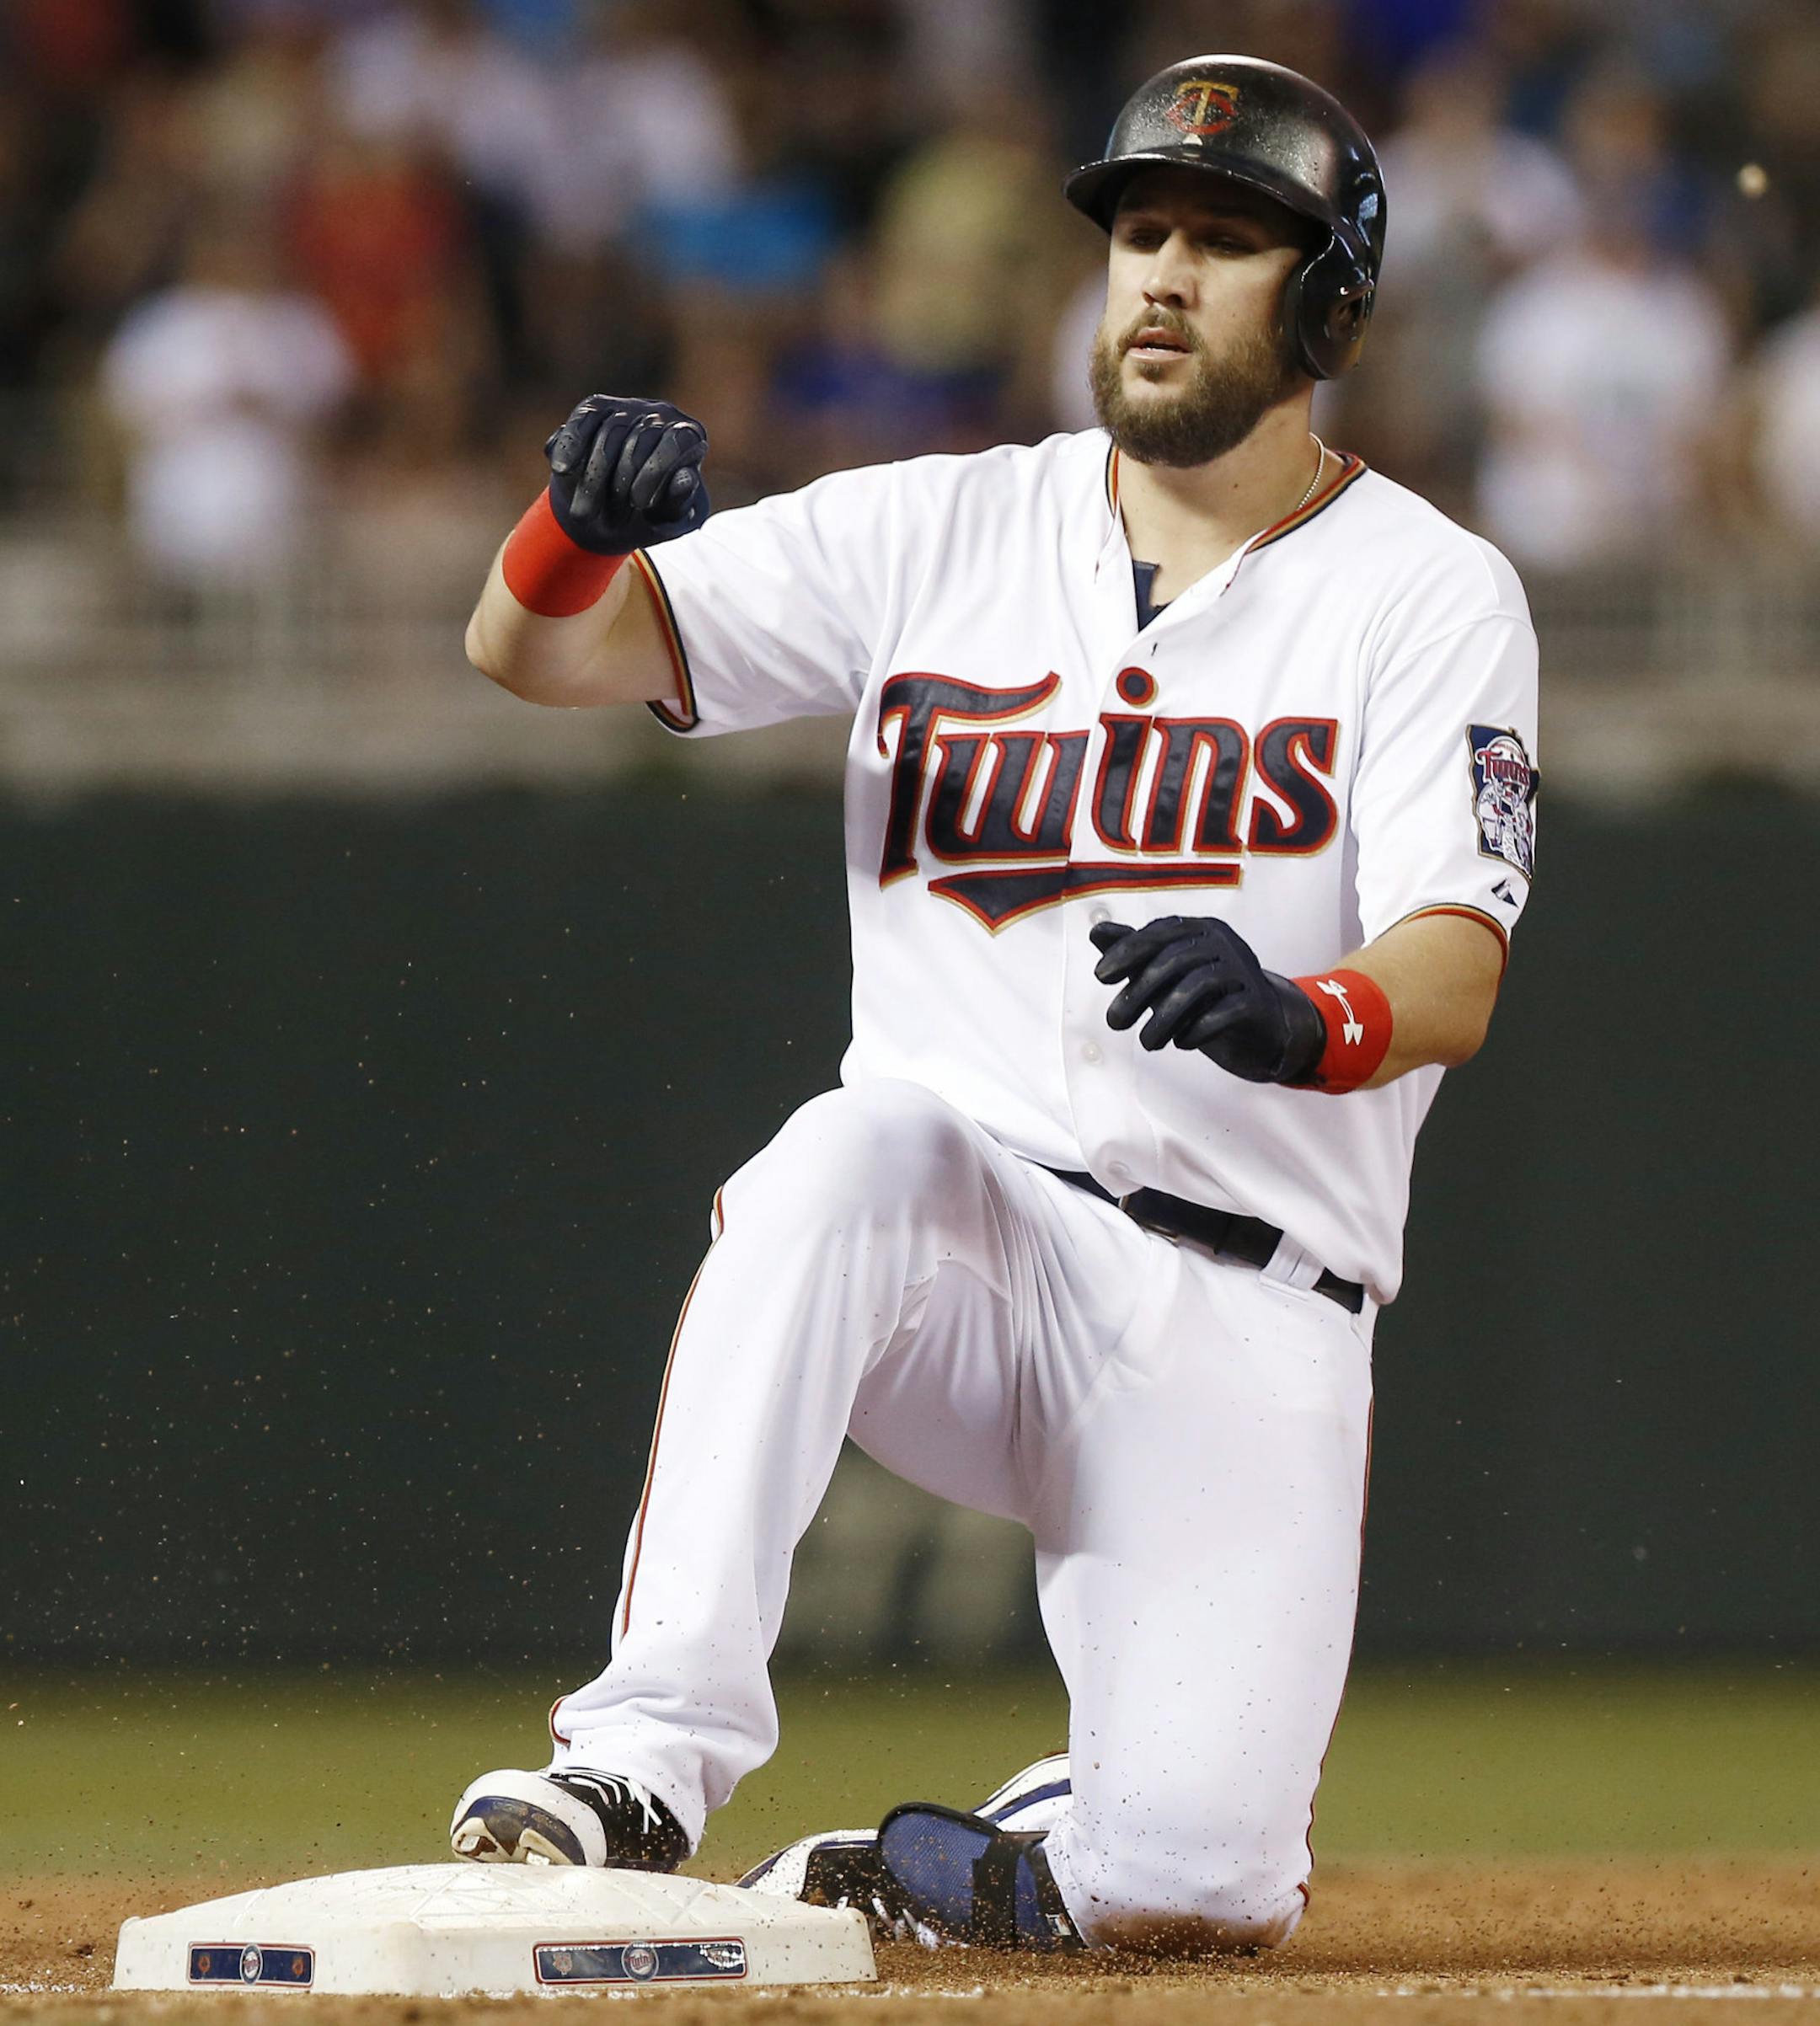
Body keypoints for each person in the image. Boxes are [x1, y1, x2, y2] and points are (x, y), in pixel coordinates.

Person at [446, 56, 1538, 1958]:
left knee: (1191, 1888)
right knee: (849, 1153)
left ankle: (1008, 1841)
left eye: (1227, 240)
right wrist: (569, 533)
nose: (1164, 275)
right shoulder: (933, 529)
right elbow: (537, 653)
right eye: (1140, 233)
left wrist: (1315, 1016)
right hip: (970, 1250)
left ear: (1333, 302)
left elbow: (1458, 955)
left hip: (1244, 1302)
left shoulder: (1424, 592)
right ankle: (636, 1762)